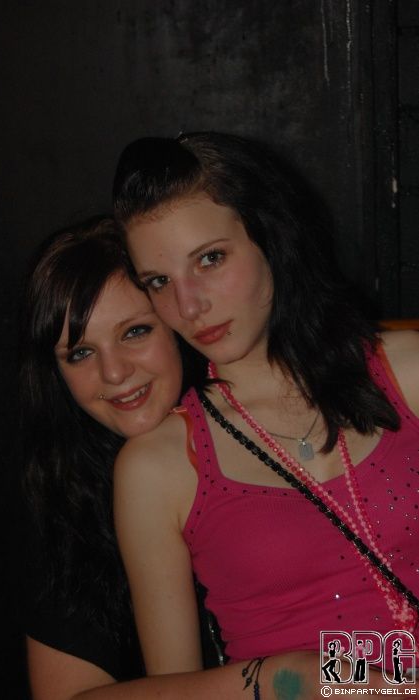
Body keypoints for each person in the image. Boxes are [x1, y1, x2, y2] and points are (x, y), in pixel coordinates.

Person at [112, 131, 419, 683]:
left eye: (210, 259)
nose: (188, 305)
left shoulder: (407, 371)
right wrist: (342, 683)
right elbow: (178, 693)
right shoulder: (159, 467)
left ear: (272, 237)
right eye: (159, 282)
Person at [20, 215, 303, 700]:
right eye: (81, 353)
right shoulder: (67, 502)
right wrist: (277, 681)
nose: (114, 372)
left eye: (134, 332)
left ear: (178, 325)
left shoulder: (276, 432)